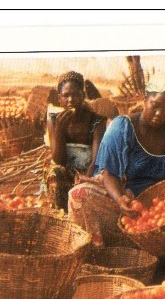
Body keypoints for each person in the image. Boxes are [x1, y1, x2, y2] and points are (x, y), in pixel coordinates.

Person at [68, 72, 165, 247]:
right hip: (123, 199)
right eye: (155, 105)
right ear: (145, 99)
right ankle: (93, 248)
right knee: (79, 195)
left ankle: (151, 241)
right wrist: (120, 198)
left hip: (157, 206)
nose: (160, 113)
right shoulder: (122, 127)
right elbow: (109, 173)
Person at [43, 71, 107, 211]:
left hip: (90, 171)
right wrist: (59, 130)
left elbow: (96, 161)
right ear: (59, 98)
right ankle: (63, 214)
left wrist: (85, 181)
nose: (70, 100)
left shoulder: (96, 121)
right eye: (66, 95)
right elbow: (59, 160)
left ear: (83, 96)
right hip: (66, 171)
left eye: (75, 94)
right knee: (56, 172)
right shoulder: (54, 120)